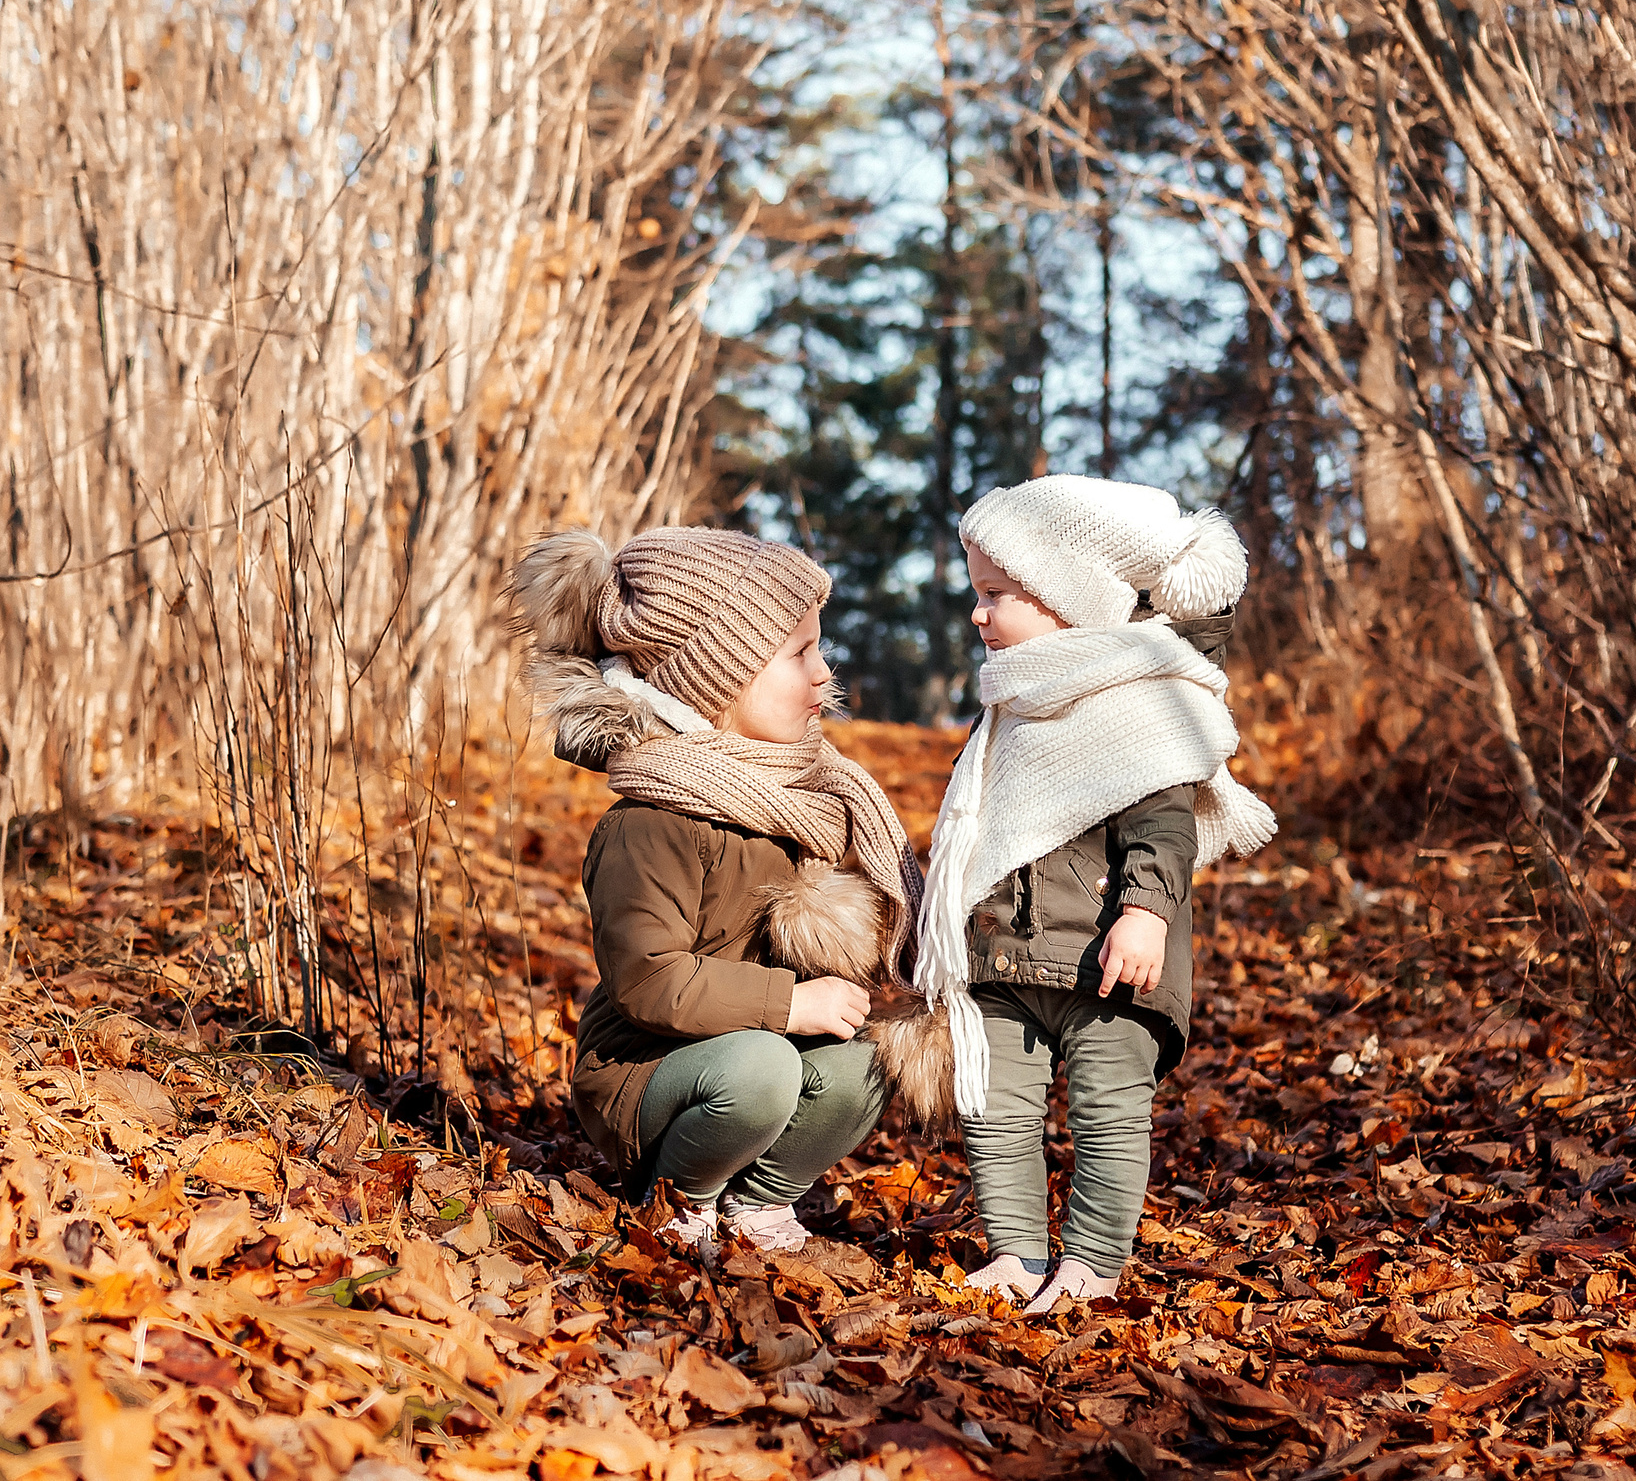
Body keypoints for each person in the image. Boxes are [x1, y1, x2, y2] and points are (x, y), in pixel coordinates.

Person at [904, 477, 1277, 1313]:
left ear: (1066, 602)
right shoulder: (1009, 707)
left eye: (997, 595)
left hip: (1107, 959)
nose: (978, 614)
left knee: (1108, 1112)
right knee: (994, 1109)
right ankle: (1015, 1250)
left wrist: (1145, 911)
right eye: (977, 594)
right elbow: (979, 826)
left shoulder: (1136, 705)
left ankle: (1094, 1260)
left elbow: (1165, 824)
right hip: (1004, 955)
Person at [508, 526, 924, 1256]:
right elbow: (647, 980)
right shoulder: (650, 822)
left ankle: (756, 1204)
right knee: (761, 1070)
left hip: (752, 1049)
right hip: (647, 1070)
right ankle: (677, 1198)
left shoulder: (797, 797)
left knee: (867, 1064)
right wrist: (791, 1003)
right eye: (800, 653)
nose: (826, 672)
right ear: (718, 679)